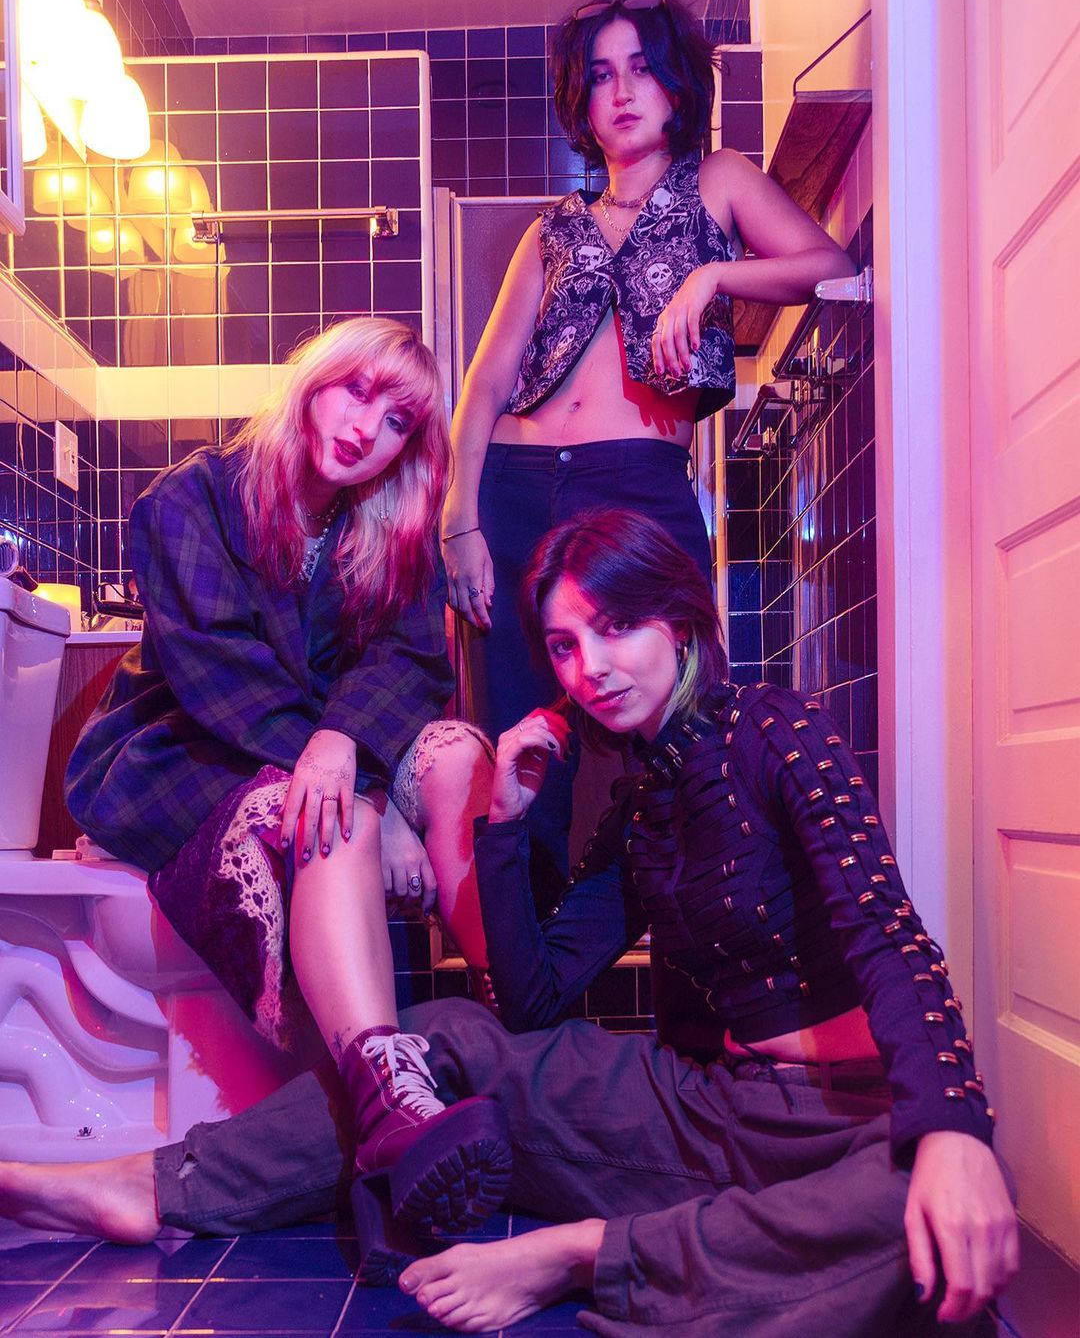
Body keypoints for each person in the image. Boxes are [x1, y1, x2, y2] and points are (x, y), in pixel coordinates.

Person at [3, 511, 1017, 1336]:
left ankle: (580, 1256)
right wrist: (503, 820)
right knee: (436, 1041)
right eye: (565, 647)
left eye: (615, 628)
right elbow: (530, 1002)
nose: (589, 669)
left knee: (911, 1211)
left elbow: (889, 935)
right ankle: (151, 1185)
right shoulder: (642, 808)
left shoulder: (780, 732)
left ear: (679, 622)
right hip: (711, 1113)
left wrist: (955, 1129)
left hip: (849, 1121)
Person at [62, 316, 508, 1269]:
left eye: (397, 421)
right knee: (322, 815)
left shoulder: (387, 528)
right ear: (314, 380)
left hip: (314, 752)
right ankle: (391, 1110)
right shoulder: (190, 499)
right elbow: (221, 673)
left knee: (411, 772)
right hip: (180, 749)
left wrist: (356, 757)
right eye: (355, 391)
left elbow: (410, 661)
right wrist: (361, 785)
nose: (365, 428)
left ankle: (447, 1079)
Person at [441, 0, 855, 895]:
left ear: (675, 85)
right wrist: (457, 518)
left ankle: (714, 942)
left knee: (689, 729)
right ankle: (528, 956)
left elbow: (829, 266)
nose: (622, 91)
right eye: (601, 76)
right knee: (520, 737)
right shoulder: (550, 229)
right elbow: (484, 383)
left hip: (639, 480)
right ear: (582, 102)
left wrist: (712, 278)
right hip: (515, 486)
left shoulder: (720, 181)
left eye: (641, 69)